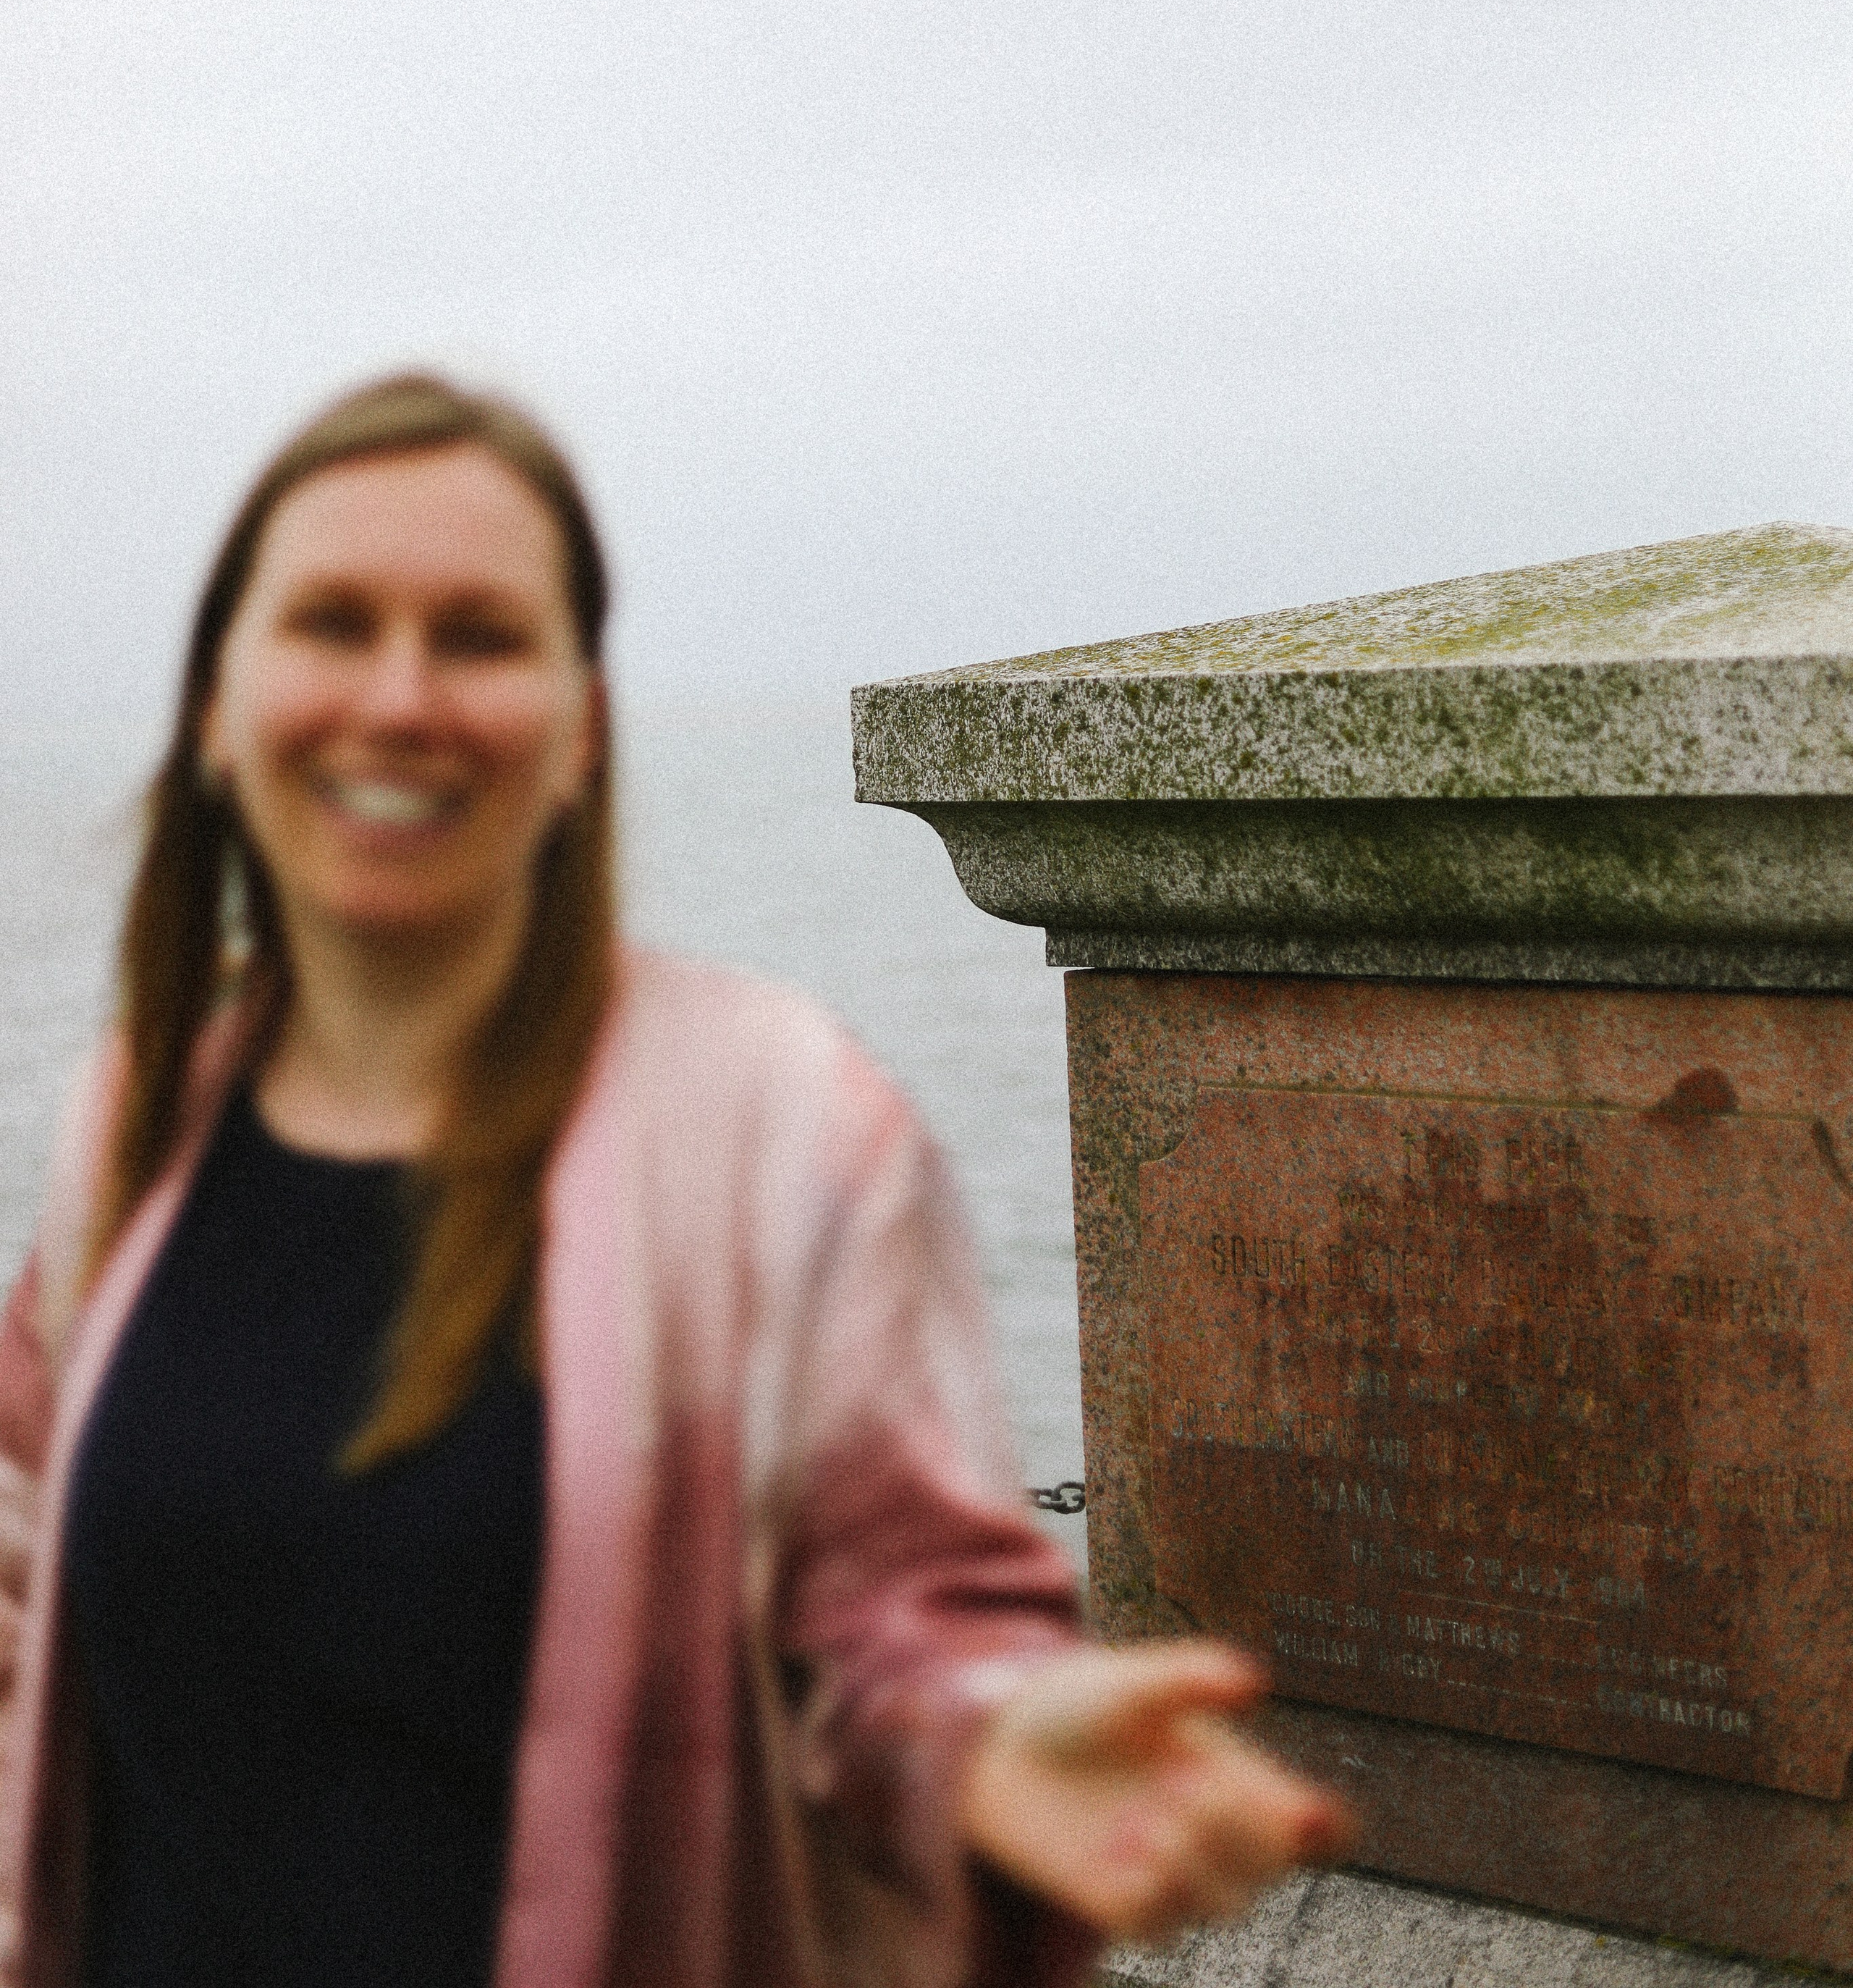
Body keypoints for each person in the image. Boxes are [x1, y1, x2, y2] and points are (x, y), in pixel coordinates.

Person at [0, 373, 1348, 1988]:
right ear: (219, 702)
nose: (402, 693)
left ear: (579, 729)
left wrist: (992, 1745)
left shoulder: (775, 1126)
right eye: (334, 622)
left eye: (481, 636)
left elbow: (897, 1613)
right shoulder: (139, 1122)